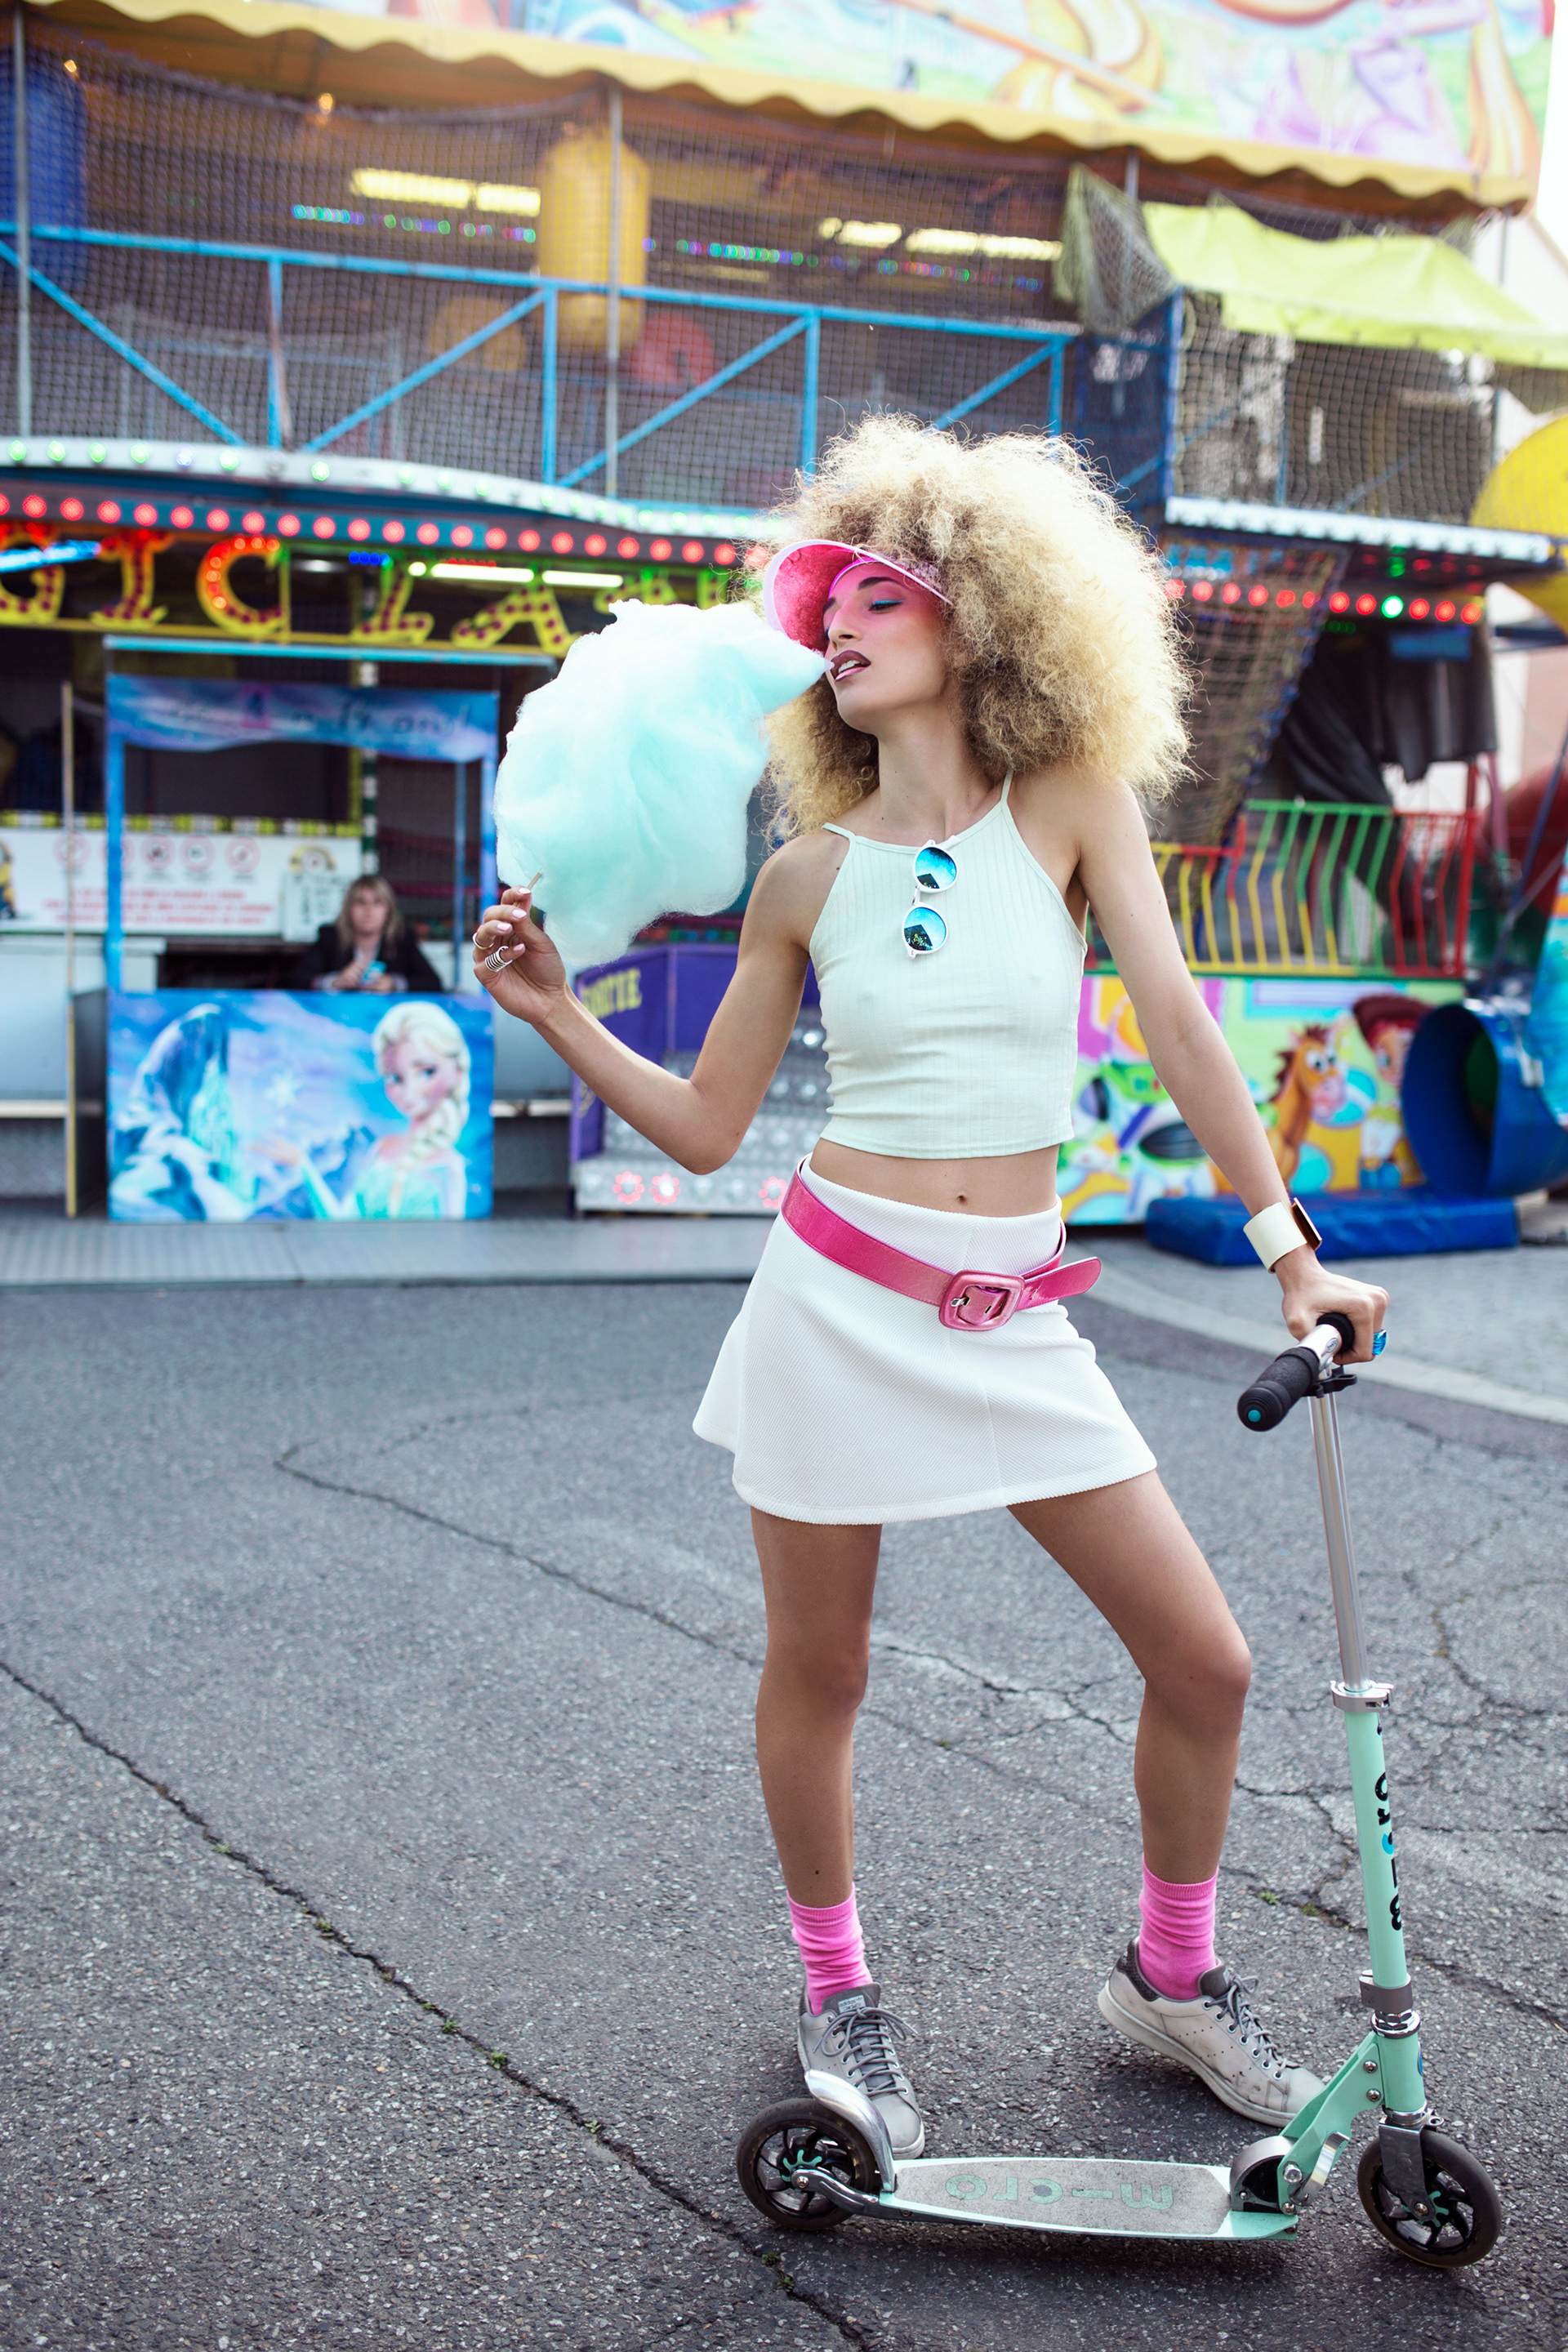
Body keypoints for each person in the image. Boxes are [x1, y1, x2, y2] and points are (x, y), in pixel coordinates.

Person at [471, 416, 1388, 2163]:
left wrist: (1291, 1253)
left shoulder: (1071, 808)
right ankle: (839, 1992)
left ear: (982, 617)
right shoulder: (806, 876)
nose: (839, 622)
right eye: (826, 602)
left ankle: (1171, 1976)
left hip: (1016, 1309)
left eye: (878, 595)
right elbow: (708, 1128)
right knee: (824, 1666)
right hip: (836, 1303)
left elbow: (1181, 1027)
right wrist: (560, 1013)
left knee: (1206, 1661)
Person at [281, 1000, 472, 1220]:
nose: (409, 1091)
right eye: (395, 1077)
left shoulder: (450, 1166)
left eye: (426, 1072)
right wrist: (305, 1167)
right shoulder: (380, 1149)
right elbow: (341, 1222)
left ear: (456, 1070)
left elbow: (454, 1235)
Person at [291, 875, 443, 995]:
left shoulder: (402, 940)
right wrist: (334, 982)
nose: (369, 910)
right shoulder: (330, 937)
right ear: (349, 909)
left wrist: (393, 984)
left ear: (388, 911)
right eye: (361, 902)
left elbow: (433, 983)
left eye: (377, 903)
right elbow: (296, 981)